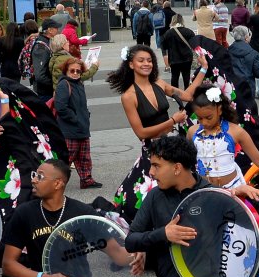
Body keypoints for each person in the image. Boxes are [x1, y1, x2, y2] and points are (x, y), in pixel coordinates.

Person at [125, 136, 259, 277]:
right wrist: (163, 234)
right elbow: (131, 242)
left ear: (177, 168)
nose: (151, 172)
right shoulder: (155, 196)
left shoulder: (213, 196)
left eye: (157, 165)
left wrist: (249, 201)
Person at [107, 44, 208, 222]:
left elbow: (187, 96)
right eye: (141, 60)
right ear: (131, 64)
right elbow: (141, 133)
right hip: (153, 150)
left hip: (172, 144)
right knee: (147, 196)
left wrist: (203, 69)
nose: (146, 64)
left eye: (149, 60)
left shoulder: (159, 84)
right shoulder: (129, 96)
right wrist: (172, 121)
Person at [2, 159, 129, 277]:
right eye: (34, 175)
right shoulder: (24, 213)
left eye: (40, 176)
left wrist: (140, 253)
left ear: (58, 183)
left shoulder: (84, 213)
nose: (33, 180)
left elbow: (118, 254)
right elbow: (8, 264)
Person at [54, 58, 102, 189]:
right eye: (72, 71)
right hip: (69, 129)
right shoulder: (64, 85)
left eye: (78, 71)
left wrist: (85, 116)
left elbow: (82, 106)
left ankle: (86, 179)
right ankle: (55, 182)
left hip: (82, 128)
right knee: (66, 159)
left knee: (84, 158)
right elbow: (61, 107)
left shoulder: (79, 84)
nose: (75, 73)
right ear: (66, 71)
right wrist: (75, 119)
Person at [161, 15, 195, 89]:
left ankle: (175, 94)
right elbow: (194, 44)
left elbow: (164, 46)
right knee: (186, 76)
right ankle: (187, 92)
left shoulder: (168, 33)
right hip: (187, 58)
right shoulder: (188, 32)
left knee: (174, 76)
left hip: (174, 58)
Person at [228, 26, 259, 95]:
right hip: (248, 86)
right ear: (246, 37)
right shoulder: (253, 53)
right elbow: (258, 73)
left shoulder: (228, 51)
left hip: (232, 86)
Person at [32, 20, 60, 101]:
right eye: (56, 28)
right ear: (49, 30)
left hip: (46, 90)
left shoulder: (46, 42)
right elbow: (40, 76)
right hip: (45, 91)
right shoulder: (41, 47)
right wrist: (54, 84)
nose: (58, 30)